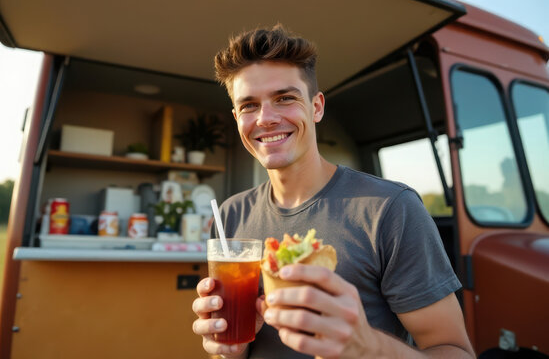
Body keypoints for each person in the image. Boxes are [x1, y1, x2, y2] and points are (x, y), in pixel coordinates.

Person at [192, 24, 475, 359]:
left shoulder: (390, 210)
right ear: (237, 117)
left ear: (316, 107)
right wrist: (230, 350)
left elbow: (457, 352)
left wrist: (370, 346)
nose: (265, 118)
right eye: (249, 105)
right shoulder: (231, 215)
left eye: (285, 98)